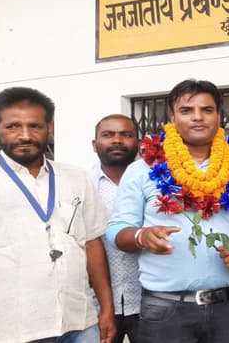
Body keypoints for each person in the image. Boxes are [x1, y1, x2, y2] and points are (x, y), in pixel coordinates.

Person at [106, 79, 229, 343]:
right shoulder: (142, 169)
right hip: (166, 308)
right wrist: (142, 237)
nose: (198, 117)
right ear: (173, 118)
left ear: (219, 116)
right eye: (187, 110)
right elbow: (116, 231)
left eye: (207, 110)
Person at [0, 87, 115, 343]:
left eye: (35, 126)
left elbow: (92, 243)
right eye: (13, 126)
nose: (25, 135)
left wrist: (106, 309)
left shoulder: (76, 177)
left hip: (80, 322)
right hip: (11, 330)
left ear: (49, 128)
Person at [89, 114, 142, 343]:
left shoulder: (156, 182)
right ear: (95, 144)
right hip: (96, 305)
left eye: (126, 134)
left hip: (150, 302)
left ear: (139, 143)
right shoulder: (82, 185)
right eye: (108, 135)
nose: (117, 140)